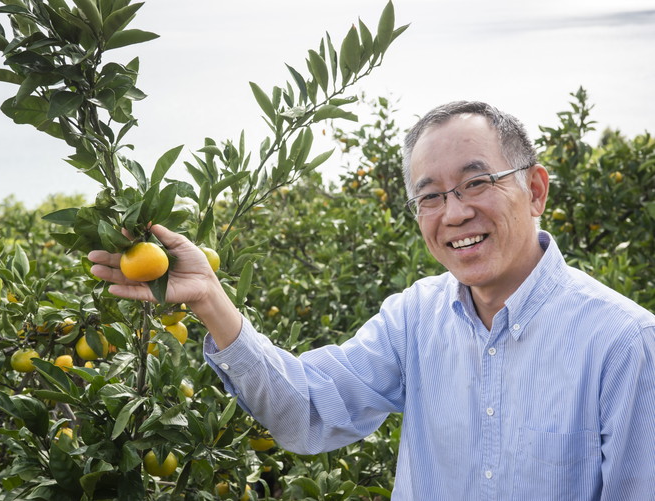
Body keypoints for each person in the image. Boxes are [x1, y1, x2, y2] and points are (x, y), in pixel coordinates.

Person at [88, 101, 655, 500]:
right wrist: (212, 302)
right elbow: (308, 414)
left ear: (535, 190)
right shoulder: (414, 319)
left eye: (476, 183)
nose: (454, 213)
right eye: (429, 196)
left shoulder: (623, 343)